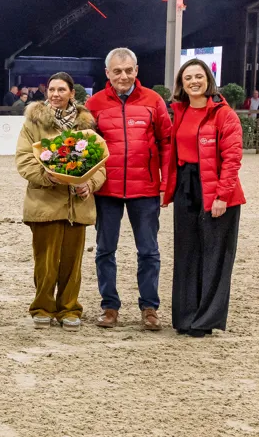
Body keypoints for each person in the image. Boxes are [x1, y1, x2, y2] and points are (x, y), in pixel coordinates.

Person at [85, 48, 172, 331]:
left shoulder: (153, 100)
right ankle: (110, 306)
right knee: (104, 250)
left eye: (128, 70)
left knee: (148, 251)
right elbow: (85, 147)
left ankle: (150, 307)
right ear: (107, 73)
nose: (124, 76)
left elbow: (167, 143)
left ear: (136, 71)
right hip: (107, 191)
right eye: (117, 71)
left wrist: (164, 183)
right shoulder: (95, 104)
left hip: (145, 190)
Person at [15, 72, 106, 331]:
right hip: (45, 204)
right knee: (45, 262)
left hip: (77, 208)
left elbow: (100, 163)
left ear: (71, 93)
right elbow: (24, 160)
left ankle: (69, 308)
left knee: (72, 262)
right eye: (52, 89)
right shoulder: (33, 124)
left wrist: (90, 183)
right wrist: (50, 176)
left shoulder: (85, 126)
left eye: (61, 90)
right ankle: (42, 307)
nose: (56, 94)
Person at [162, 59, 245, 338]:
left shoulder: (224, 114)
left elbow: (232, 158)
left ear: (208, 80)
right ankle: (185, 317)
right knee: (186, 252)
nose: (193, 81)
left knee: (214, 255)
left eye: (199, 76)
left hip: (218, 188)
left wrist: (222, 195)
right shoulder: (180, 112)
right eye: (188, 78)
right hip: (187, 185)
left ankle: (205, 320)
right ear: (181, 84)